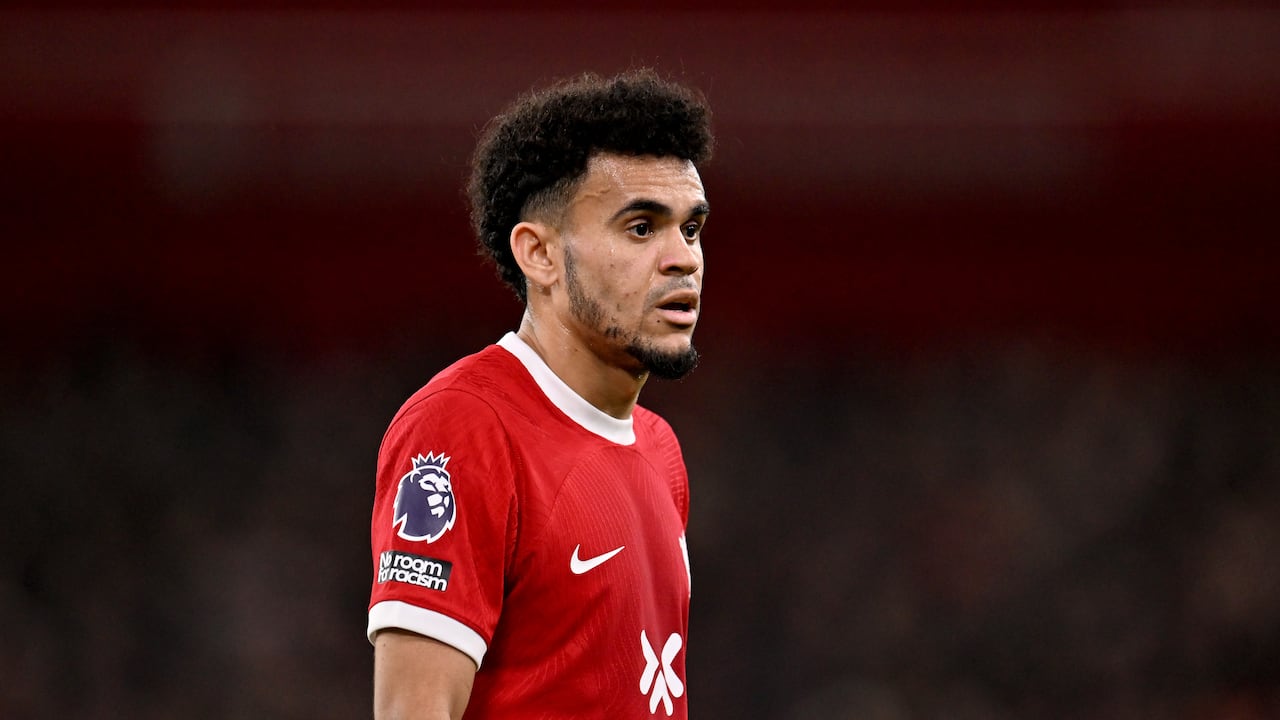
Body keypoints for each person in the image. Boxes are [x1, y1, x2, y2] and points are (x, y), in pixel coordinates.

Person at [367, 69, 714, 719]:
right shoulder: (463, 430)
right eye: (642, 228)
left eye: (690, 230)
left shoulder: (661, 453)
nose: (683, 258)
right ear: (540, 255)